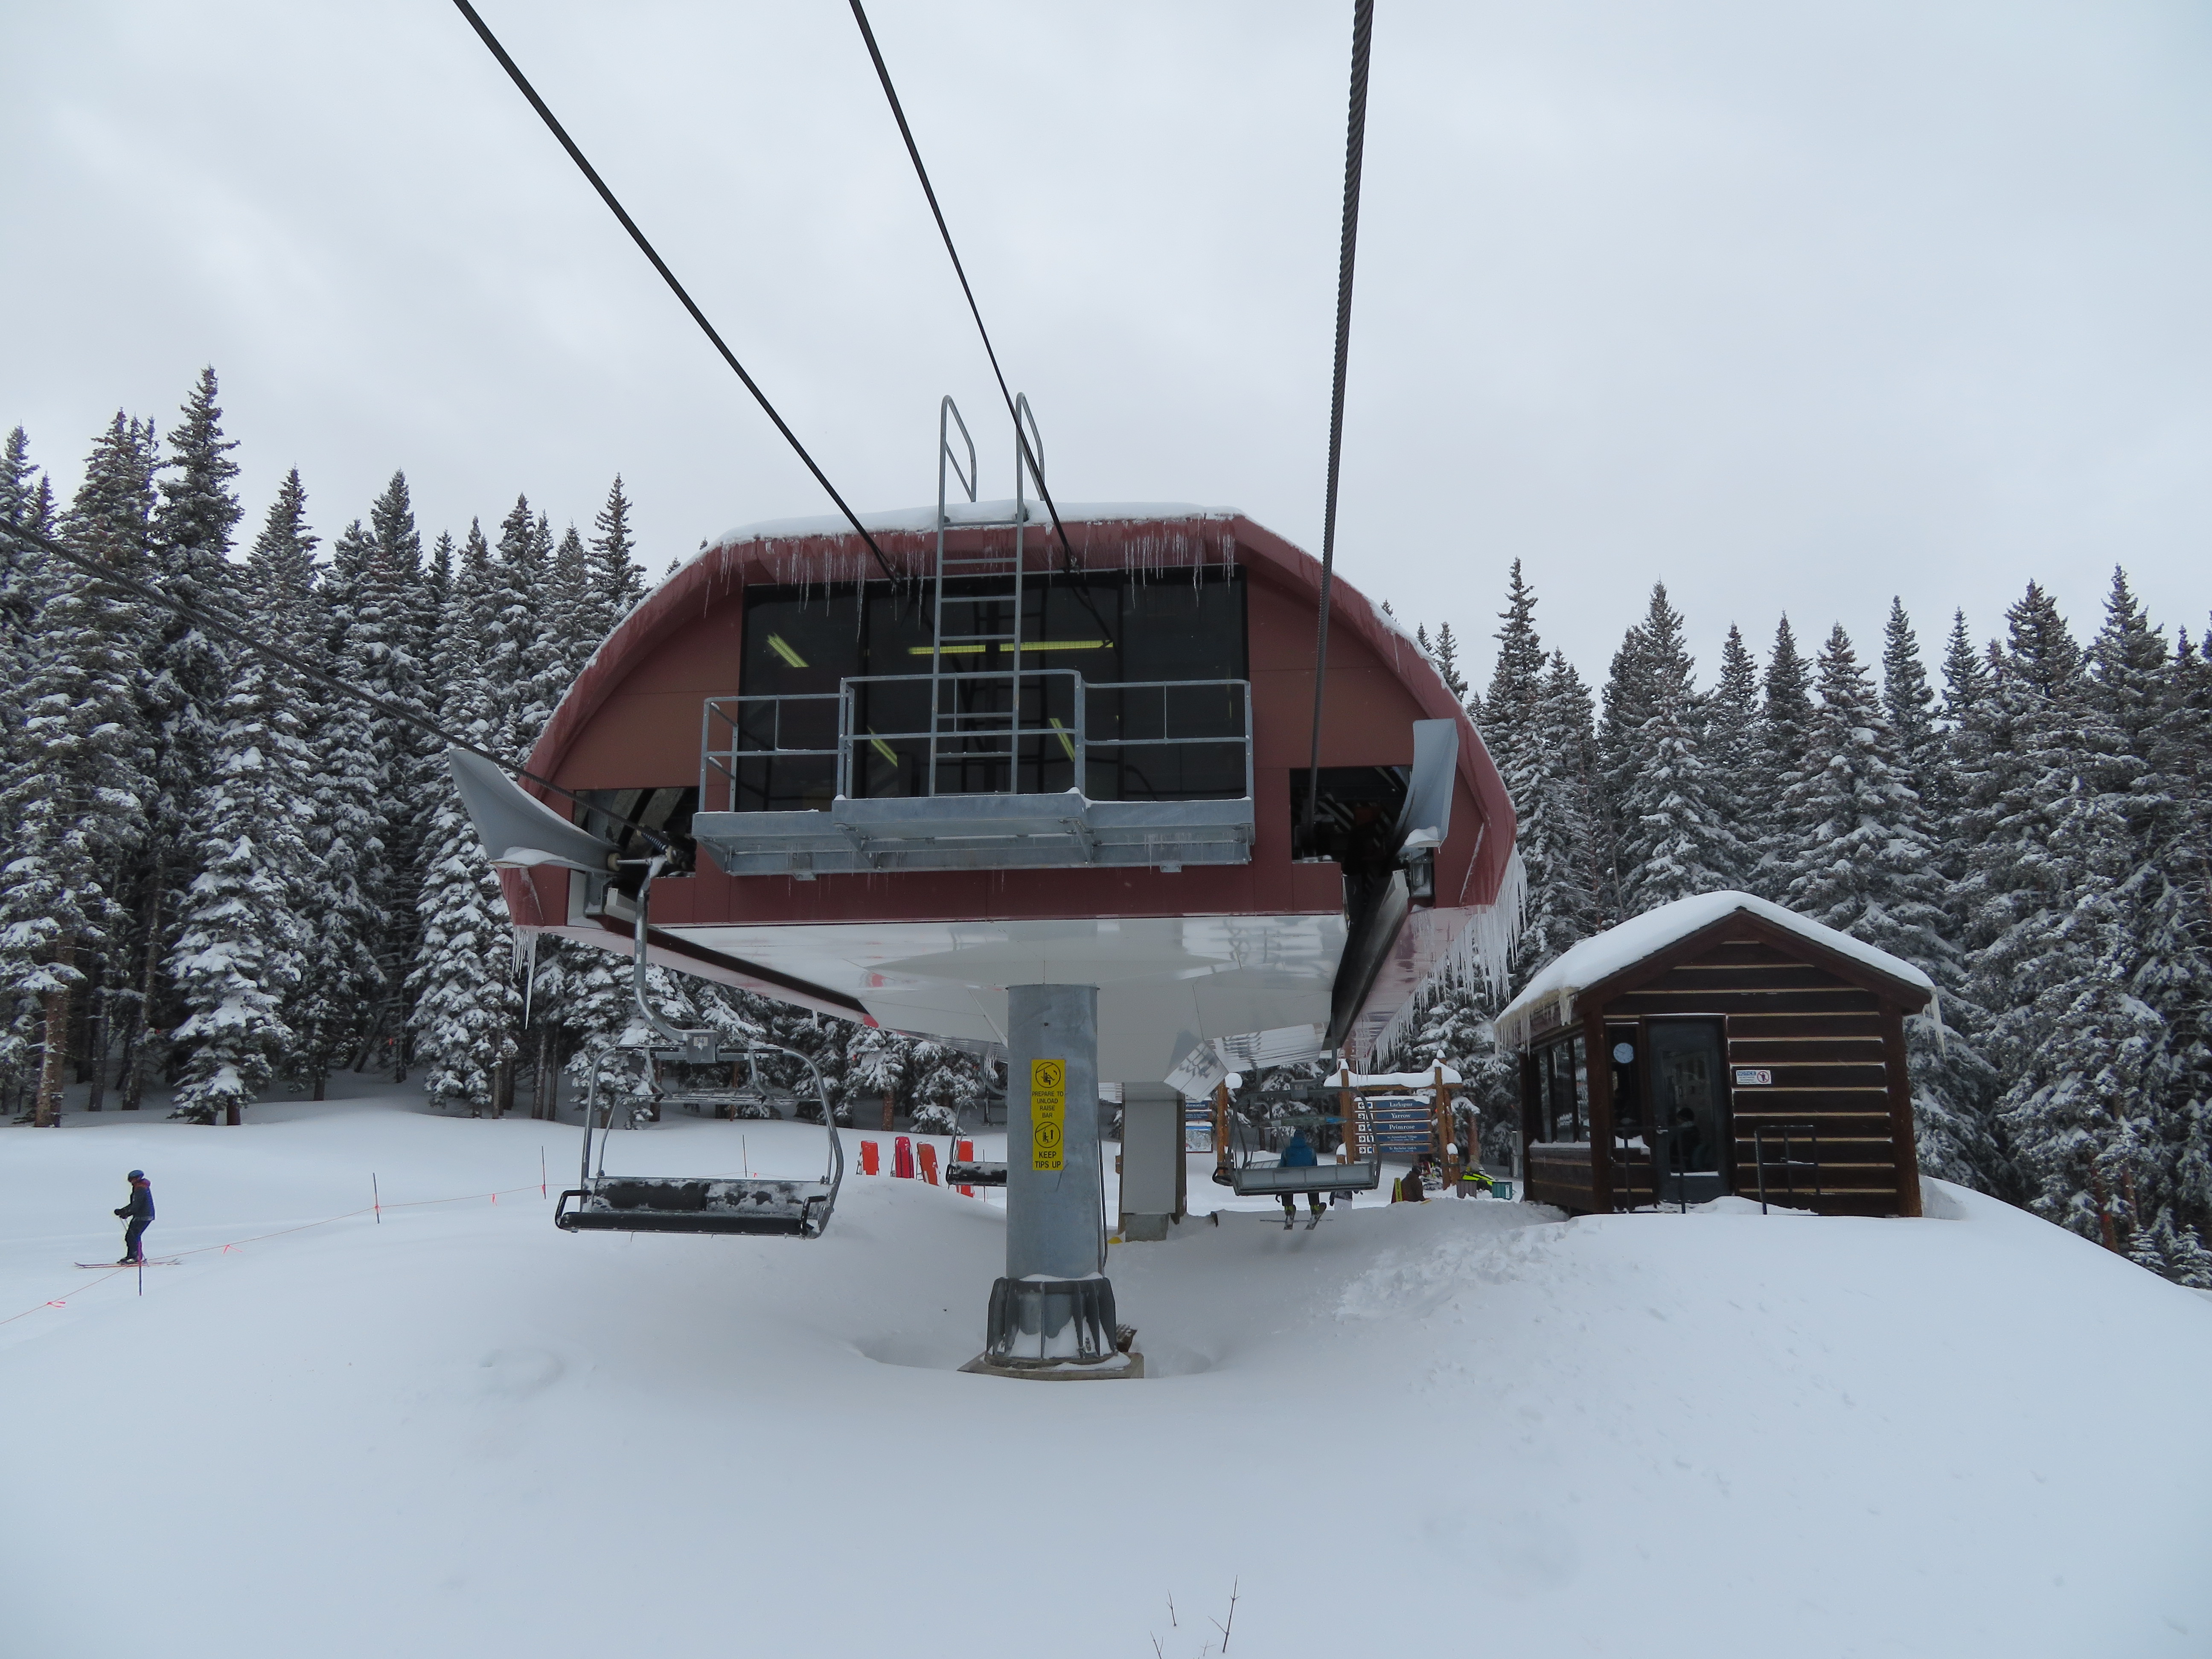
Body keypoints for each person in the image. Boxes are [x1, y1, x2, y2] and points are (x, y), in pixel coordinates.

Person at [1276, 1128, 1323, 1222]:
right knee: (1313, 1185)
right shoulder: (1311, 1151)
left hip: (1291, 1182)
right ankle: (1314, 1207)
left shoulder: (1287, 1151)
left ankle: (1289, 1209)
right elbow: (1314, 1168)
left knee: (1286, 1186)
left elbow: (1282, 1168)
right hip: (1308, 1181)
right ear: (1304, 1139)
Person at [114, 1170, 154, 1264]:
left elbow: (136, 1206)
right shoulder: (140, 1187)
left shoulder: (140, 1188)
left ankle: (135, 1257)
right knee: (133, 1236)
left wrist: (125, 1213)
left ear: (138, 1179)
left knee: (132, 1236)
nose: (131, 1182)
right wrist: (123, 1211)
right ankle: (134, 1256)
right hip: (144, 1215)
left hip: (143, 1216)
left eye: (133, 1180)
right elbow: (135, 1205)